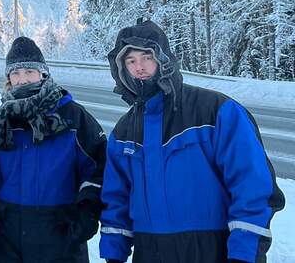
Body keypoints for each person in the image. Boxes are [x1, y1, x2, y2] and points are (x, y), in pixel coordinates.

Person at [99, 19, 285, 263]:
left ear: (163, 59)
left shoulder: (216, 111)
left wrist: (244, 253)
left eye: (147, 57)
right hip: (149, 251)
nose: (139, 67)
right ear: (121, 67)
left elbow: (252, 186)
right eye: (130, 61)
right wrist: (114, 253)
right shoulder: (124, 131)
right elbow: (116, 198)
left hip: (211, 249)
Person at [0, 36, 107, 263]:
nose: (22, 80)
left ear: (43, 74)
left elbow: (97, 168)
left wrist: (87, 213)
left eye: (29, 71)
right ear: (9, 79)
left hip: (63, 239)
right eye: (16, 73)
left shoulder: (73, 118)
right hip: (8, 242)